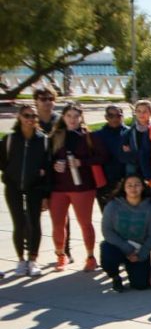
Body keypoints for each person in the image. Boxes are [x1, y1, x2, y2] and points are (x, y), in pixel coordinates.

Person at [49, 103, 105, 272]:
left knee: (85, 223)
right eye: (69, 116)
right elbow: (46, 159)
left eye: (75, 116)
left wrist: (82, 162)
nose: (72, 120)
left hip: (83, 187)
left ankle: (90, 256)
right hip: (59, 188)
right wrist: (54, 165)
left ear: (81, 118)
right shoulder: (56, 136)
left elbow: (103, 157)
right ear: (63, 117)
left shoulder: (88, 136)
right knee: (58, 224)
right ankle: (60, 254)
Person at [2, 103, 53, 277]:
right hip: (14, 187)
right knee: (18, 223)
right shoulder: (10, 139)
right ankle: (21, 260)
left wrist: (46, 193)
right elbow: (3, 163)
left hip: (35, 187)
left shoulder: (43, 140)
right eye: (26, 115)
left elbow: (48, 168)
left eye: (33, 116)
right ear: (19, 117)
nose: (30, 119)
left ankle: (33, 259)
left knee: (34, 222)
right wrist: (8, 177)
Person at [98, 173, 151, 291]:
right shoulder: (112, 205)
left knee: (140, 285)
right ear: (124, 188)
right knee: (107, 251)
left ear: (143, 187)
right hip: (119, 246)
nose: (133, 188)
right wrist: (128, 249)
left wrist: (141, 254)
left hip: (139, 249)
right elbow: (107, 231)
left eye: (137, 185)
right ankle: (115, 277)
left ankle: (132, 268)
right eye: (129, 185)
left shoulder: (150, 208)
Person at [93, 105, 128, 210]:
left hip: (126, 181)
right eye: (111, 116)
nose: (114, 119)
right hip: (105, 182)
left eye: (118, 115)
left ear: (122, 116)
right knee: (108, 214)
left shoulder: (129, 133)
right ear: (106, 117)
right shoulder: (97, 136)